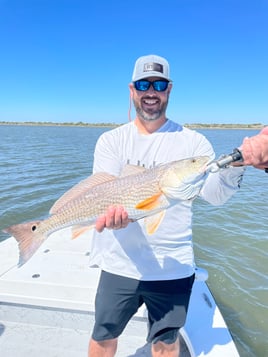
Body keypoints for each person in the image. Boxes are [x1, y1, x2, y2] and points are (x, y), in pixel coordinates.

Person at [88, 54, 246, 357]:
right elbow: (101, 193)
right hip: (120, 263)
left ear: (169, 89)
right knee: (103, 335)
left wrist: (237, 166)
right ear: (132, 90)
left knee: (166, 342)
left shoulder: (194, 144)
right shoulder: (111, 141)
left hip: (173, 265)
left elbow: (214, 195)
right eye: (143, 84)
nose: (151, 92)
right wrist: (109, 215)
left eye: (158, 84)